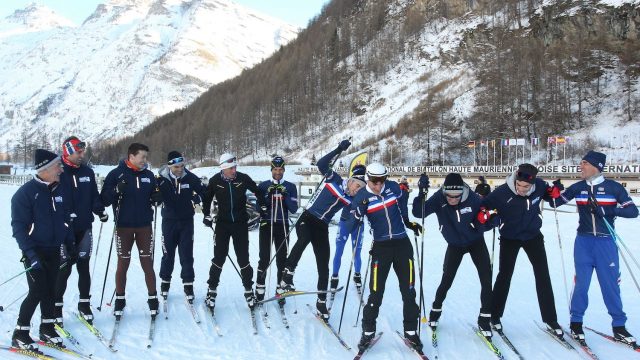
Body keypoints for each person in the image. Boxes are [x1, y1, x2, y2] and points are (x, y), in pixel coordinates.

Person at [548, 151, 638, 345]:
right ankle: (576, 323)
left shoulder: (613, 188)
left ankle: (619, 327)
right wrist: (553, 191)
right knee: (581, 284)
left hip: (606, 243)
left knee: (611, 286)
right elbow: (555, 202)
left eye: (584, 164)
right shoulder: (579, 187)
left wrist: (609, 210)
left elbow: (633, 211)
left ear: (596, 167)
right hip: (584, 242)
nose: (580, 167)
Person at [279, 139, 365, 320]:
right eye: (357, 185)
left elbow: (361, 209)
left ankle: (321, 302)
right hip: (307, 219)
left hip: (322, 226)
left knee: (323, 265)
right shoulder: (334, 178)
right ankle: (287, 274)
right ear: (350, 181)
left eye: (361, 188)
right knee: (303, 240)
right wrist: (338, 149)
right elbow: (321, 164)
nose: (357, 190)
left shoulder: (352, 200)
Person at [347, 163, 424, 352]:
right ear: (367, 178)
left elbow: (402, 204)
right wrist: (359, 210)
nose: (378, 185)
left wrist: (408, 222)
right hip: (381, 247)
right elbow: (352, 221)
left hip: (402, 245)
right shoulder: (362, 196)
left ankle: (411, 331)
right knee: (376, 293)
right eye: (374, 181)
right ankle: (367, 332)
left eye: (382, 180)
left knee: (409, 291)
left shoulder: (393, 188)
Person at [480, 164, 563, 337]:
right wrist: (488, 215)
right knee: (504, 276)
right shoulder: (502, 192)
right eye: (519, 185)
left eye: (526, 187)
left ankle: (550, 319)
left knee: (543, 275)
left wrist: (554, 191)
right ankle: (494, 316)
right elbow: (483, 206)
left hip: (533, 236)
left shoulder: (539, 185)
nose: (521, 189)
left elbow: (549, 194)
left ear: (532, 184)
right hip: (510, 237)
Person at [412, 173, 494, 337]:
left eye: (456, 196)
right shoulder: (439, 197)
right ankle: (435, 311)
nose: (452, 199)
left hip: (476, 242)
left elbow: (490, 220)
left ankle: (484, 320)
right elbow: (418, 212)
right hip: (455, 244)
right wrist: (421, 192)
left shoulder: (473, 198)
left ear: (462, 191)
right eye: (449, 195)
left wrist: (482, 222)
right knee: (447, 279)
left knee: (486, 279)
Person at [11, 149, 76, 349]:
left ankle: (47, 329)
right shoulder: (25, 194)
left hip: (54, 248)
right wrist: (30, 254)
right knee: (37, 291)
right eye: (58, 165)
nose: (61, 169)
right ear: (45, 169)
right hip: (35, 251)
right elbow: (19, 229)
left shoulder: (59, 189)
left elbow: (65, 219)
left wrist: (69, 243)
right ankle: (20, 333)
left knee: (51, 290)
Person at [100, 143, 163, 319]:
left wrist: (157, 198)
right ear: (131, 156)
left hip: (144, 226)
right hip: (123, 226)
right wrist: (116, 190)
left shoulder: (149, 175)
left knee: (147, 263)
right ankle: (120, 299)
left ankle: (152, 299)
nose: (145, 160)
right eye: (142, 157)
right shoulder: (116, 174)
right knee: (123, 263)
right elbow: (104, 199)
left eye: (146, 157)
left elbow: (155, 194)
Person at [54, 136, 107, 327]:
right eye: (78, 152)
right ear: (68, 152)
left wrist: (99, 210)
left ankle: (84, 305)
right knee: (64, 268)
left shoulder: (87, 172)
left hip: (84, 227)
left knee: (84, 266)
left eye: (82, 151)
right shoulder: (58, 171)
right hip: (64, 230)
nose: (82, 155)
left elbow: (94, 195)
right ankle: (56, 308)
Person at [202, 153, 264, 312]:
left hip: (240, 224)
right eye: (231, 168)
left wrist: (262, 206)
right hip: (222, 224)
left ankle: (249, 291)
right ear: (223, 168)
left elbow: (257, 191)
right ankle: (212, 290)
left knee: (243, 258)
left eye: (235, 167)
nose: (234, 170)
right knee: (219, 258)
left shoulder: (242, 178)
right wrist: (206, 215)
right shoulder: (215, 180)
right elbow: (207, 198)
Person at [157, 151, 205, 304]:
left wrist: (198, 197)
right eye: (177, 166)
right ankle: (165, 283)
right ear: (169, 165)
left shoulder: (190, 177)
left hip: (186, 221)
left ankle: (188, 285)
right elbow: (151, 195)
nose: (180, 169)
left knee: (186, 254)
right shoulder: (161, 180)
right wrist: (154, 198)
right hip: (168, 221)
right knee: (167, 253)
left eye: (182, 166)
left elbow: (204, 192)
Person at [254, 156, 299, 303]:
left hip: (282, 225)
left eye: (280, 169)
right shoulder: (263, 186)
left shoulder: (290, 187)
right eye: (275, 169)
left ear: (284, 170)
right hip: (267, 224)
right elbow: (257, 208)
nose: (278, 172)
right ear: (271, 170)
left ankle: (280, 289)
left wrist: (285, 196)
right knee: (264, 258)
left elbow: (293, 209)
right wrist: (267, 196)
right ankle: (260, 287)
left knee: (282, 259)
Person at [330, 164, 366, 296]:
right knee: (339, 251)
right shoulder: (347, 187)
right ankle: (334, 277)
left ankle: (357, 275)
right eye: (356, 180)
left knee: (357, 252)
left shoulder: (366, 190)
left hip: (358, 224)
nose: (358, 185)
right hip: (344, 222)